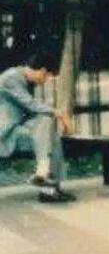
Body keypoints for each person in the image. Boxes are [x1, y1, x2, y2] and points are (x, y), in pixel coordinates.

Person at [0, 51, 76, 203]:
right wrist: (60, 114)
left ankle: (45, 180)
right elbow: (30, 105)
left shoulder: (25, 81)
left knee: (50, 132)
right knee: (49, 132)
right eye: (47, 77)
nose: (45, 81)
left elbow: (31, 112)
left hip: (17, 130)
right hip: (5, 134)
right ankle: (46, 183)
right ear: (42, 71)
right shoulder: (10, 78)